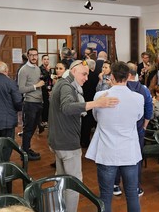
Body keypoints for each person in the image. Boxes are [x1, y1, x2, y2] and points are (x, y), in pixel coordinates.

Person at [48, 60, 119, 212]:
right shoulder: (66, 86)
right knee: (74, 184)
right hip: (67, 142)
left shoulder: (61, 84)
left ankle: (57, 209)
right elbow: (67, 108)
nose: (86, 78)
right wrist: (97, 103)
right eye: (84, 74)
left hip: (58, 140)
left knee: (61, 180)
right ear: (73, 72)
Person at [85, 61, 144, 212]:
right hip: (129, 151)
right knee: (132, 194)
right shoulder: (138, 98)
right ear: (128, 76)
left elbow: (96, 117)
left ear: (111, 76)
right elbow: (138, 117)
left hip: (107, 151)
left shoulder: (100, 95)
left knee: (105, 195)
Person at [113, 62, 153, 197]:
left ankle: (115, 184)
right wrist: (145, 126)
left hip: (118, 129)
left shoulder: (116, 89)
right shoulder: (144, 89)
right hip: (137, 128)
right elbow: (149, 110)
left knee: (117, 156)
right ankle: (135, 186)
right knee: (135, 158)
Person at [17, 48, 45, 161]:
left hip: (39, 102)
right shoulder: (23, 70)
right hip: (29, 103)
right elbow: (20, 89)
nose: (34, 57)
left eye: (36, 55)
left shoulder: (37, 68)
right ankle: (24, 153)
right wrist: (36, 86)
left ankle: (26, 149)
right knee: (28, 129)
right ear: (28, 56)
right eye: (31, 55)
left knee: (33, 128)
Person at [81, 59, 99, 148]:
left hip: (82, 100)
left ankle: (82, 140)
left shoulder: (82, 75)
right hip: (92, 101)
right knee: (89, 122)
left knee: (83, 121)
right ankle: (88, 141)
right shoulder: (96, 76)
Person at [39, 54, 52, 130]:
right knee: (44, 105)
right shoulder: (40, 68)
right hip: (43, 89)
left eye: (47, 59)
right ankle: (43, 121)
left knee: (48, 105)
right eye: (45, 59)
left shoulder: (49, 68)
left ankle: (47, 120)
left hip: (49, 88)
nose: (46, 60)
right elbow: (41, 79)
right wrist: (47, 72)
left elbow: (49, 79)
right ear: (42, 60)